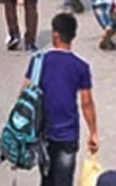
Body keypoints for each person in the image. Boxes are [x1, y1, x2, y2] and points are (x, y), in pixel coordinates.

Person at [25, 13, 98, 186]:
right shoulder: (81, 66)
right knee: (64, 180)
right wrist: (93, 131)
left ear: (55, 34)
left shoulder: (38, 61)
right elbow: (86, 102)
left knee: (46, 179)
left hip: (43, 131)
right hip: (68, 132)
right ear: (74, 36)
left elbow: (26, 93)